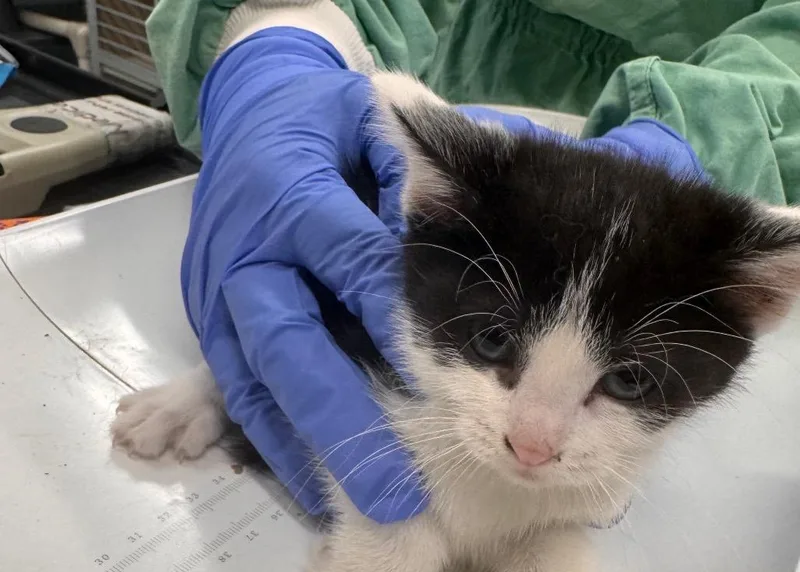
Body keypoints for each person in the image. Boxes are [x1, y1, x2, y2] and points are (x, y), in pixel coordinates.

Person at [145, 0, 800, 522]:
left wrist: (709, 127)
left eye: (627, 380)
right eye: (495, 342)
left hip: (703, 189)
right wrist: (278, 32)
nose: (534, 445)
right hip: (465, 138)